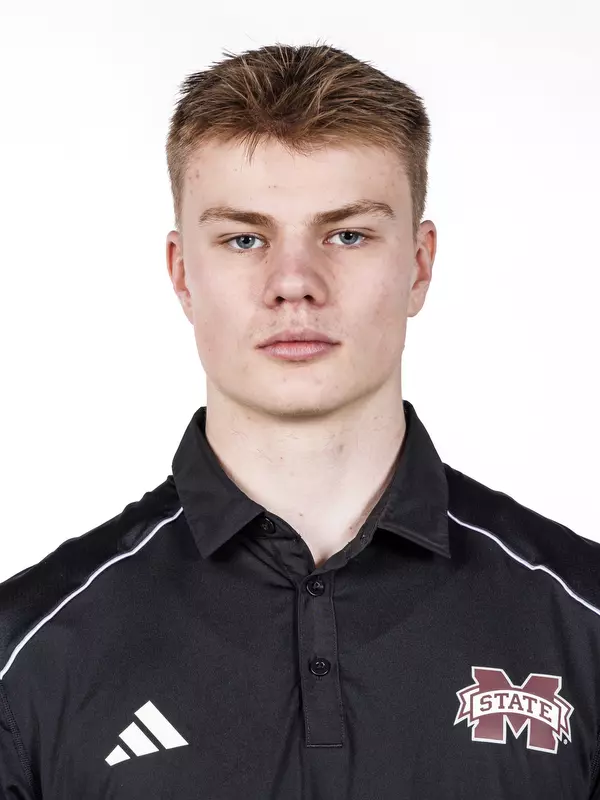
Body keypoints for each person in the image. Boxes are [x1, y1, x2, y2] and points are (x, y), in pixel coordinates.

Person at [1, 41, 599, 800]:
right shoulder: (28, 656)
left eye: (347, 234)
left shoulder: (581, 619)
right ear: (183, 273)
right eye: (244, 239)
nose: (294, 284)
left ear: (418, 264)